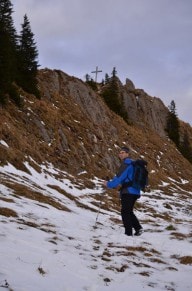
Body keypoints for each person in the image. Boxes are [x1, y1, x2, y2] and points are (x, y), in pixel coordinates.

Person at [103, 146, 143, 236]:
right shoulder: (134, 164)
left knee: (125, 212)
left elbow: (119, 179)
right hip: (136, 191)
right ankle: (138, 228)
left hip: (128, 191)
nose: (120, 154)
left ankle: (128, 233)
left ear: (127, 154)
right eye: (120, 152)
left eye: (123, 152)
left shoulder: (126, 164)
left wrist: (108, 184)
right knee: (128, 211)